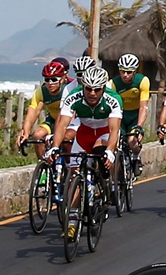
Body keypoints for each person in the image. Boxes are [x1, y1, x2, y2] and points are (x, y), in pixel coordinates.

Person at [47, 66, 122, 238]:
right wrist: (54, 147)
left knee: (100, 151)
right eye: (88, 88)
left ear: (104, 88)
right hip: (84, 134)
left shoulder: (113, 99)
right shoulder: (74, 97)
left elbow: (114, 130)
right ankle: (72, 221)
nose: (92, 93)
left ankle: (104, 186)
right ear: (83, 87)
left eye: (97, 89)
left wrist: (110, 151)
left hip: (103, 134)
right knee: (74, 175)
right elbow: (62, 125)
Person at [108, 53, 150, 176]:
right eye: (122, 71)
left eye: (129, 72)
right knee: (114, 143)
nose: (125, 75)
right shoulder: (113, 84)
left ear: (134, 71)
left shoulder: (142, 81)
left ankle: (136, 157)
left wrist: (139, 127)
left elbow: (143, 107)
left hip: (134, 116)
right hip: (120, 116)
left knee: (132, 141)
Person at [15, 61, 67, 158]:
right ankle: (43, 164)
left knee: (67, 140)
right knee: (37, 135)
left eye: (54, 79)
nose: (50, 83)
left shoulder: (68, 90)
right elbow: (32, 113)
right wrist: (25, 132)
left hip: (68, 122)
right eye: (47, 80)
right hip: (52, 120)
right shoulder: (41, 92)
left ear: (62, 79)